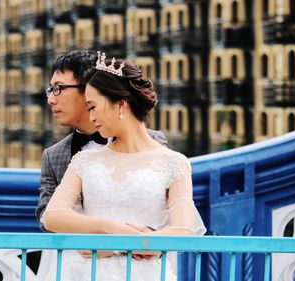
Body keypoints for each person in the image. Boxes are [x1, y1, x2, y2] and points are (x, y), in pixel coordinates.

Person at [41, 53, 206, 280]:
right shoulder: (84, 160)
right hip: (85, 272)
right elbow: (52, 215)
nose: (91, 116)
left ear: (120, 104)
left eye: (93, 106)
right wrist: (111, 230)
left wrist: (117, 246)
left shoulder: (174, 163)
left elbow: (184, 231)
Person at [36, 50, 167, 231]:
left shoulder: (153, 142)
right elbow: (45, 217)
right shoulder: (54, 156)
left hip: (140, 252)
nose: (51, 99)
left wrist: (145, 241)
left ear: (89, 88)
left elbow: (165, 210)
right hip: (78, 255)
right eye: (50, 90)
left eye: (58, 88)